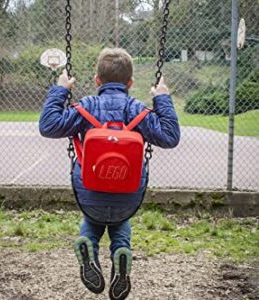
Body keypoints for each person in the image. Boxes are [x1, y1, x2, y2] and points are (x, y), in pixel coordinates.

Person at [39, 48, 180, 300]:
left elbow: (48, 126)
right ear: (130, 83)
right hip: (128, 197)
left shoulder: (87, 107)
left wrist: (61, 89)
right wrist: (162, 98)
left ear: (97, 80)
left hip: (90, 194)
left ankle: (88, 246)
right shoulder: (137, 110)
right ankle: (121, 253)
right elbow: (170, 137)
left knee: (92, 219)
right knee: (119, 219)